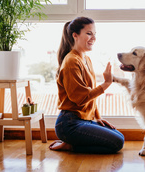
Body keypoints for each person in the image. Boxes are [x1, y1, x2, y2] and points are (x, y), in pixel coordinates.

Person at [49, 17, 124, 154]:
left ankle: (71, 143)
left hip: (84, 119)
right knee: (116, 143)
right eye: (89, 33)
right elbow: (80, 98)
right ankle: (70, 145)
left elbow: (90, 95)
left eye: (95, 34)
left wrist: (98, 117)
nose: (93, 38)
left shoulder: (85, 59)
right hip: (69, 124)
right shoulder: (71, 61)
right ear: (75, 35)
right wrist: (106, 83)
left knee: (120, 137)